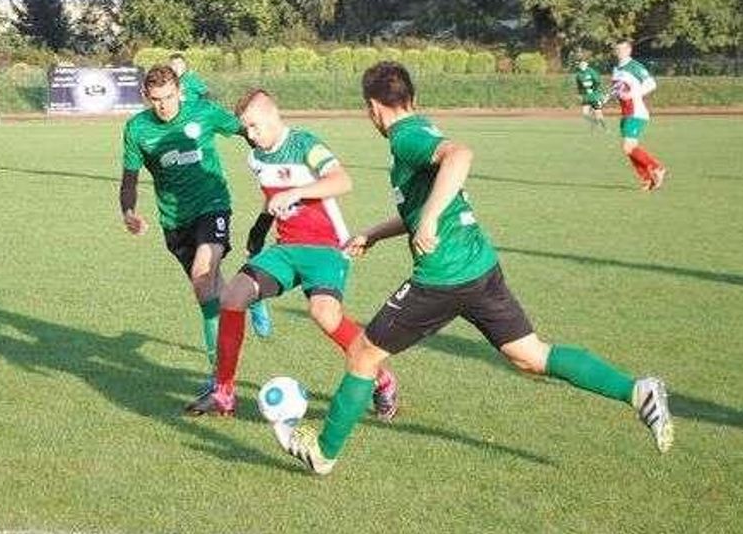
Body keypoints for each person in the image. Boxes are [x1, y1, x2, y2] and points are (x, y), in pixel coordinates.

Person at [280, 61, 674, 476]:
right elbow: (426, 200)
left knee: (362, 354)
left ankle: (323, 452)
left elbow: (460, 155)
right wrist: (377, 232)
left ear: (373, 108)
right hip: (479, 266)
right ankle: (638, 391)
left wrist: (430, 218)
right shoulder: (423, 126)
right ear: (411, 96)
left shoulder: (405, 137)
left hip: (442, 277)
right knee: (530, 355)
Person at [183, 89, 399, 425]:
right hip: (286, 248)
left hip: (327, 247)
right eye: (246, 129)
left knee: (324, 313)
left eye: (255, 127)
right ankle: (223, 392)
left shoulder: (305, 144)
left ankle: (382, 378)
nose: (250, 135)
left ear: (273, 115)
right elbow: (273, 198)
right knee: (232, 296)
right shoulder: (256, 158)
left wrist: (297, 191)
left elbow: (342, 181)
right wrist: (259, 227)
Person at [119, 66, 272, 398]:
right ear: (147, 97)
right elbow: (129, 178)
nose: (164, 106)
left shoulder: (203, 112)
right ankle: (252, 297)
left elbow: (247, 131)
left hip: (213, 205)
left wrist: (273, 152)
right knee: (213, 290)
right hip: (174, 222)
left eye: (170, 98)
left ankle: (218, 377)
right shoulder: (137, 129)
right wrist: (129, 212)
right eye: (156, 100)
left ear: (180, 92)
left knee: (203, 277)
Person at [611, 41, 667, 191]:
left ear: (629, 50)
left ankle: (657, 168)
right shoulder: (616, 69)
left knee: (628, 147)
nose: (619, 51)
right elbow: (618, 89)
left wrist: (632, 94)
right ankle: (647, 180)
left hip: (636, 112)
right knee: (630, 148)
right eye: (617, 49)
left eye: (622, 49)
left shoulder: (635, 67)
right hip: (626, 112)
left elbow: (651, 84)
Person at [574, 58, 605, 129]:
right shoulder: (578, 75)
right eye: (580, 64)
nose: (582, 65)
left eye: (583, 64)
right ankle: (595, 122)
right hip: (586, 97)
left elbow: (597, 81)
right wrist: (580, 94)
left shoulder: (591, 71)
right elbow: (579, 86)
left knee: (598, 114)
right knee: (585, 114)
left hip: (594, 96)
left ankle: (605, 128)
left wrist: (595, 90)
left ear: (587, 64)